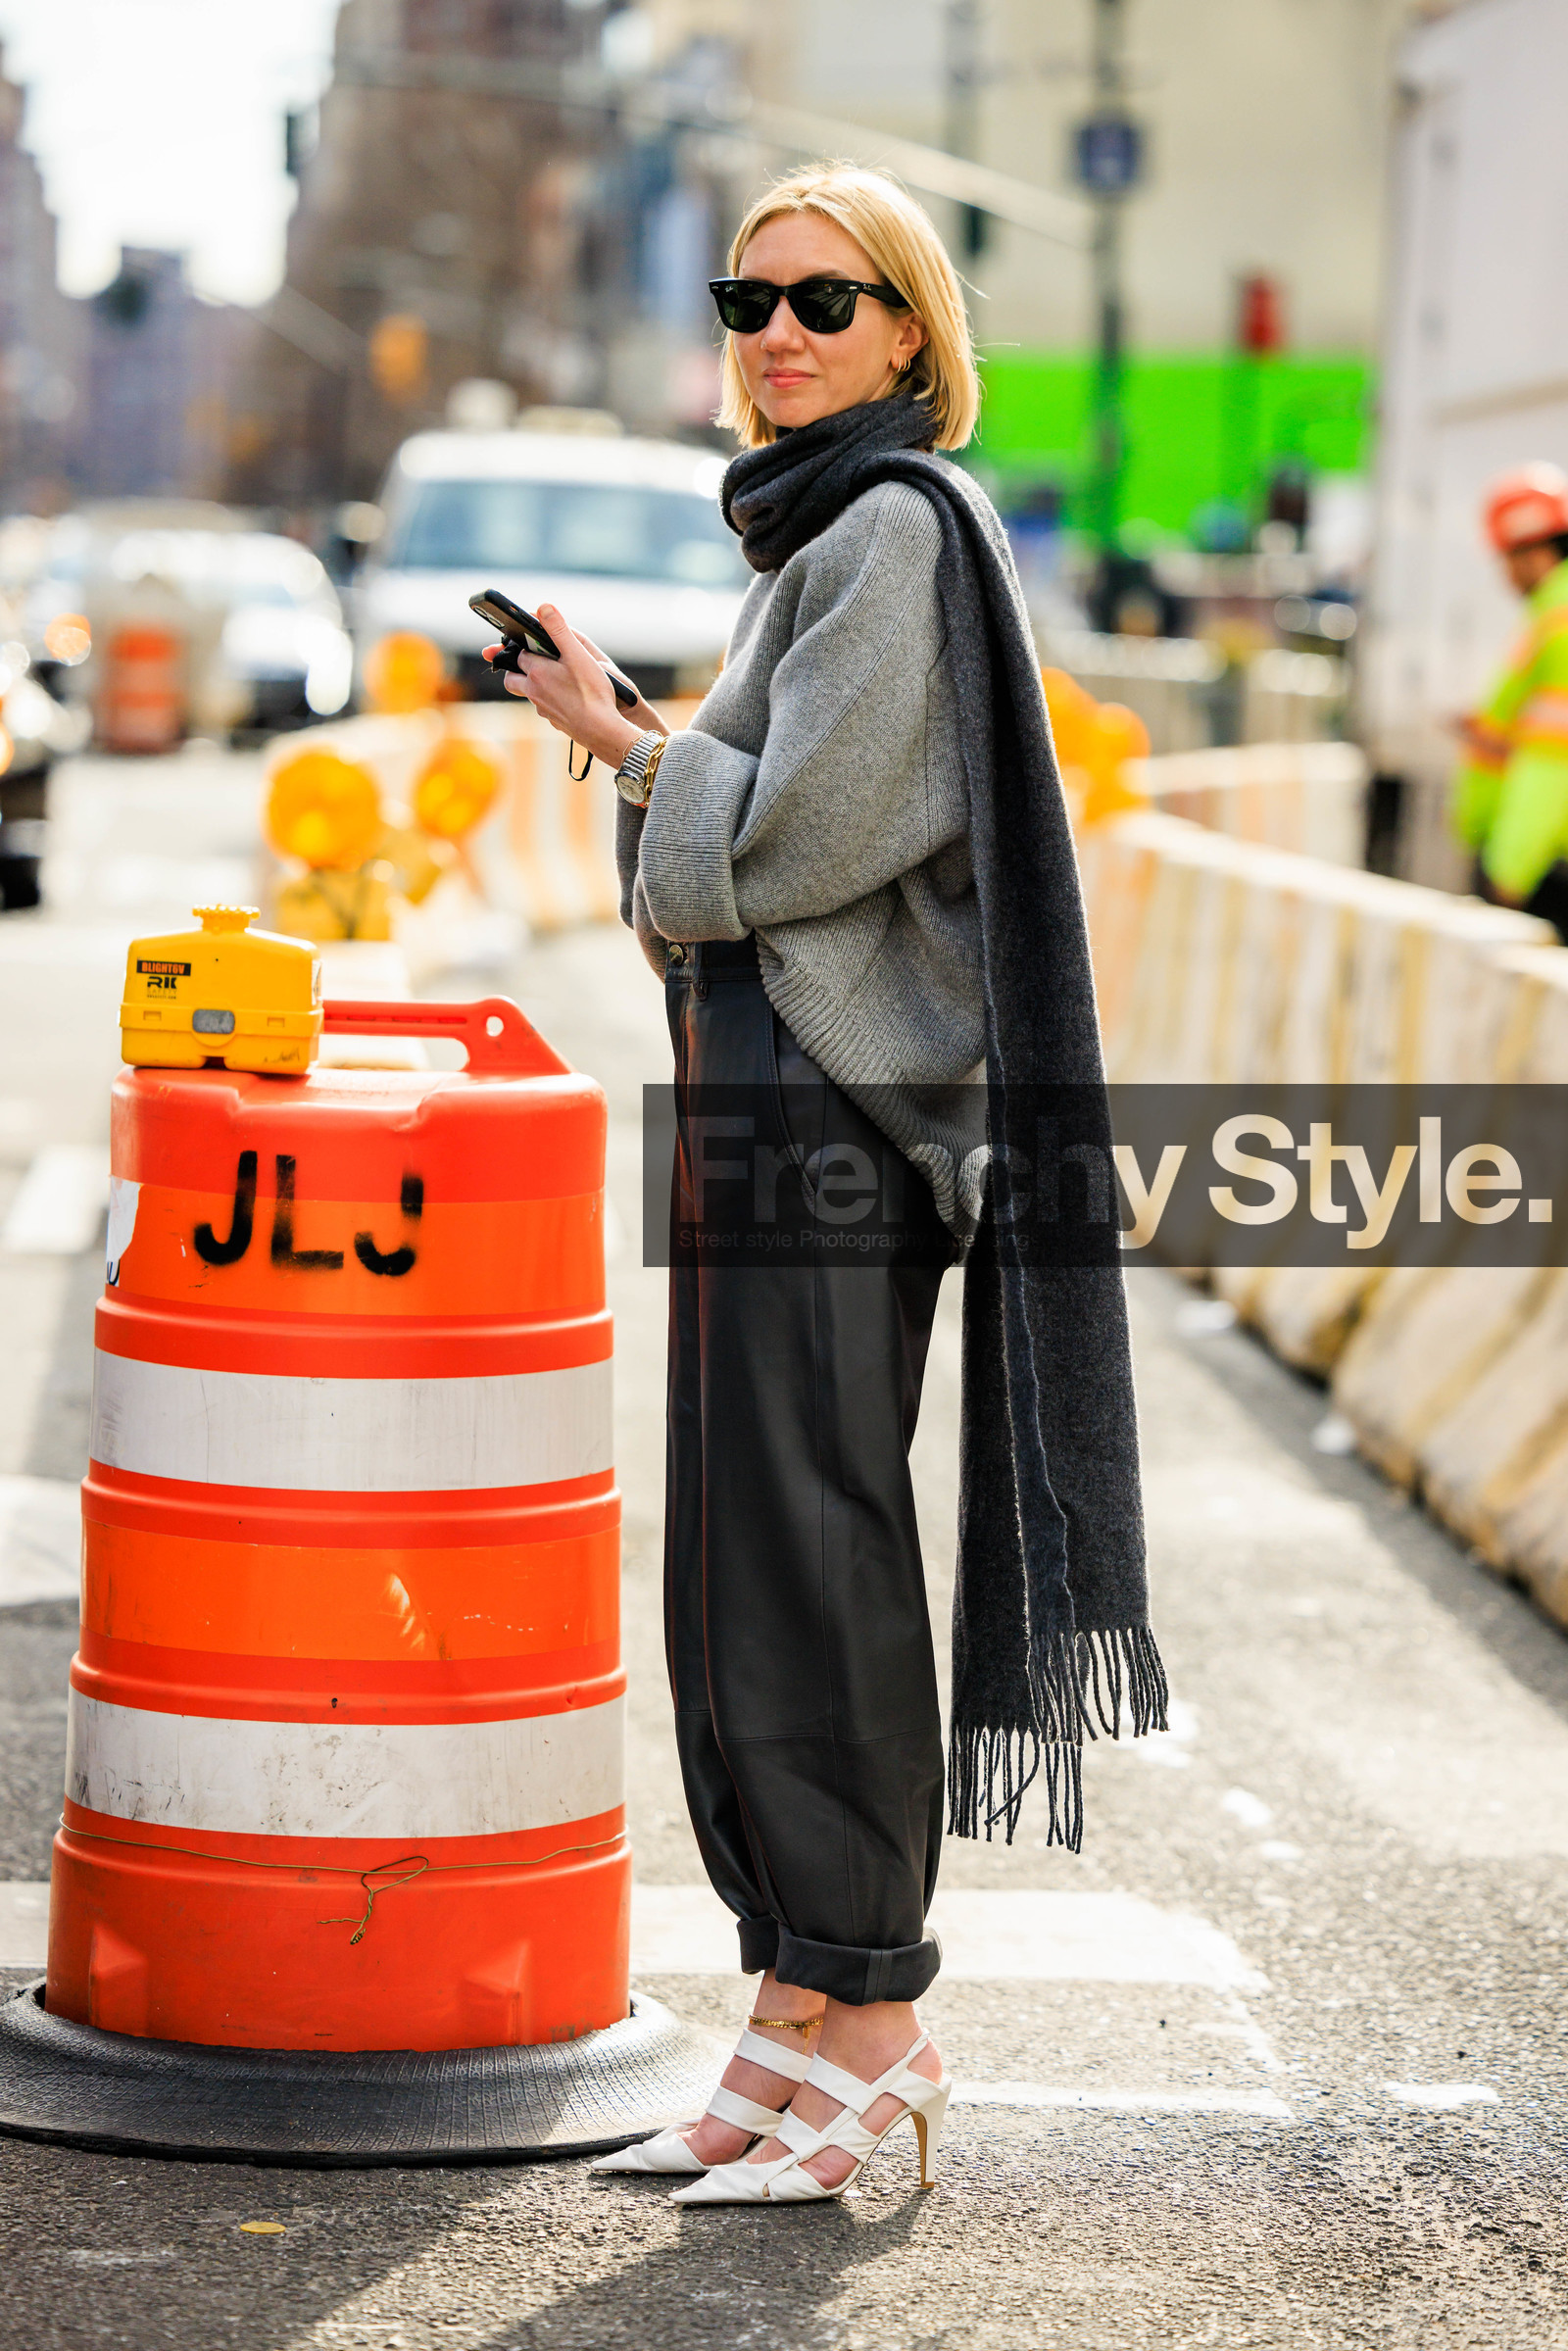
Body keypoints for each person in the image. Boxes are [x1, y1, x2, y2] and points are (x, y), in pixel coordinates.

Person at [484, 163, 1165, 2207]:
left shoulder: (891, 525)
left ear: (910, 334)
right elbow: (763, 834)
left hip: (833, 1110)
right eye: (745, 295)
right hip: (770, 1083)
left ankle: (869, 2016)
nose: (774, 330)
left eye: (823, 300)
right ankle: (789, 2012)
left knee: (813, 1541)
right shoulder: (812, 535)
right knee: (746, 1544)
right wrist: (646, 747)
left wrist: (622, 742)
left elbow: (792, 845)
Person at [1453, 463, 1568, 939]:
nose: (1506, 575)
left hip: (1536, 866)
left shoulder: (1558, 621)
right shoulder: (1551, 614)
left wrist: (1511, 870)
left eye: (1506, 559)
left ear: (1532, 553)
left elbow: (1553, 758)